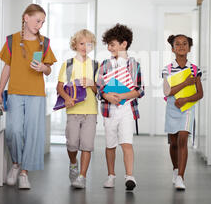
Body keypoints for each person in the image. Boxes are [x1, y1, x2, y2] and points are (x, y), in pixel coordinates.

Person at [0, 4, 57, 190]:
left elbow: (49, 70)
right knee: (14, 130)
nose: (40, 25)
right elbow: (7, 66)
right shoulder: (11, 40)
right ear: (26, 18)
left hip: (36, 94)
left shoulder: (45, 43)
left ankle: (24, 172)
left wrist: (43, 68)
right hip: (15, 92)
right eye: (37, 20)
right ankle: (16, 163)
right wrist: (1, 89)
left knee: (32, 133)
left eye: (42, 22)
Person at [96, 24, 145, 191]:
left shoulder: (134, 65)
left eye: (112, 44)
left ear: (124, 44)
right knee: (110, 145)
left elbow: (139, 90)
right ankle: (111, 176)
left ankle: (129, 176)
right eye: (108, 45)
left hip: (127, 110)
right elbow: (99, 87)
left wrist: (121, 97)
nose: (109, 48)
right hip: (109, 111)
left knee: (126, 143)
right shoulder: (105, 64)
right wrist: (107, 96)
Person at [56, 29, 100, 190]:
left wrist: (91, 83)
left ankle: (82, 176)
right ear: (75, 44)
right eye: (81, 43)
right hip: (73, 111)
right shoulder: (68, 65)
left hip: (91, 111)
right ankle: (73, 163)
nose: (84, 47)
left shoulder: (96, 65)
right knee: (72, 144)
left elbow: (99, 91)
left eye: (89, 44)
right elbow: (59, 87)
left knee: (87, 145)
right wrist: (67, 99)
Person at [162, 34, 203, 190]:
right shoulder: (167, 69)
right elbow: (167, 92)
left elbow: (200, 93)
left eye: (184, 43)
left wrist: (186, 100)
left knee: (183, 139)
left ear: (189, 47)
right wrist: (186, 82)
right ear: (173, 49)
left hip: (187, 108)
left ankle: (181, 177)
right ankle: (175, 169)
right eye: (177, 44)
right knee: (173, 143)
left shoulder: (194, 69)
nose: (181, 46)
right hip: (172, 107)